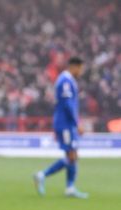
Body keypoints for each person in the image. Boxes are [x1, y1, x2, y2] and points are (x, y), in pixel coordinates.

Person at [34, 57, 88, 199]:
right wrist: (77, 123)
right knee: (71, 155)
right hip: (65, 124)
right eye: (80, 69)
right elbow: (68, 104)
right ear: (74, 67)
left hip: (67, 123)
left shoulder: (66, 80)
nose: (81, 72)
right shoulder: (65, 81)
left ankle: (69, 186)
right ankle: (44, 175)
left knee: (73, 156)